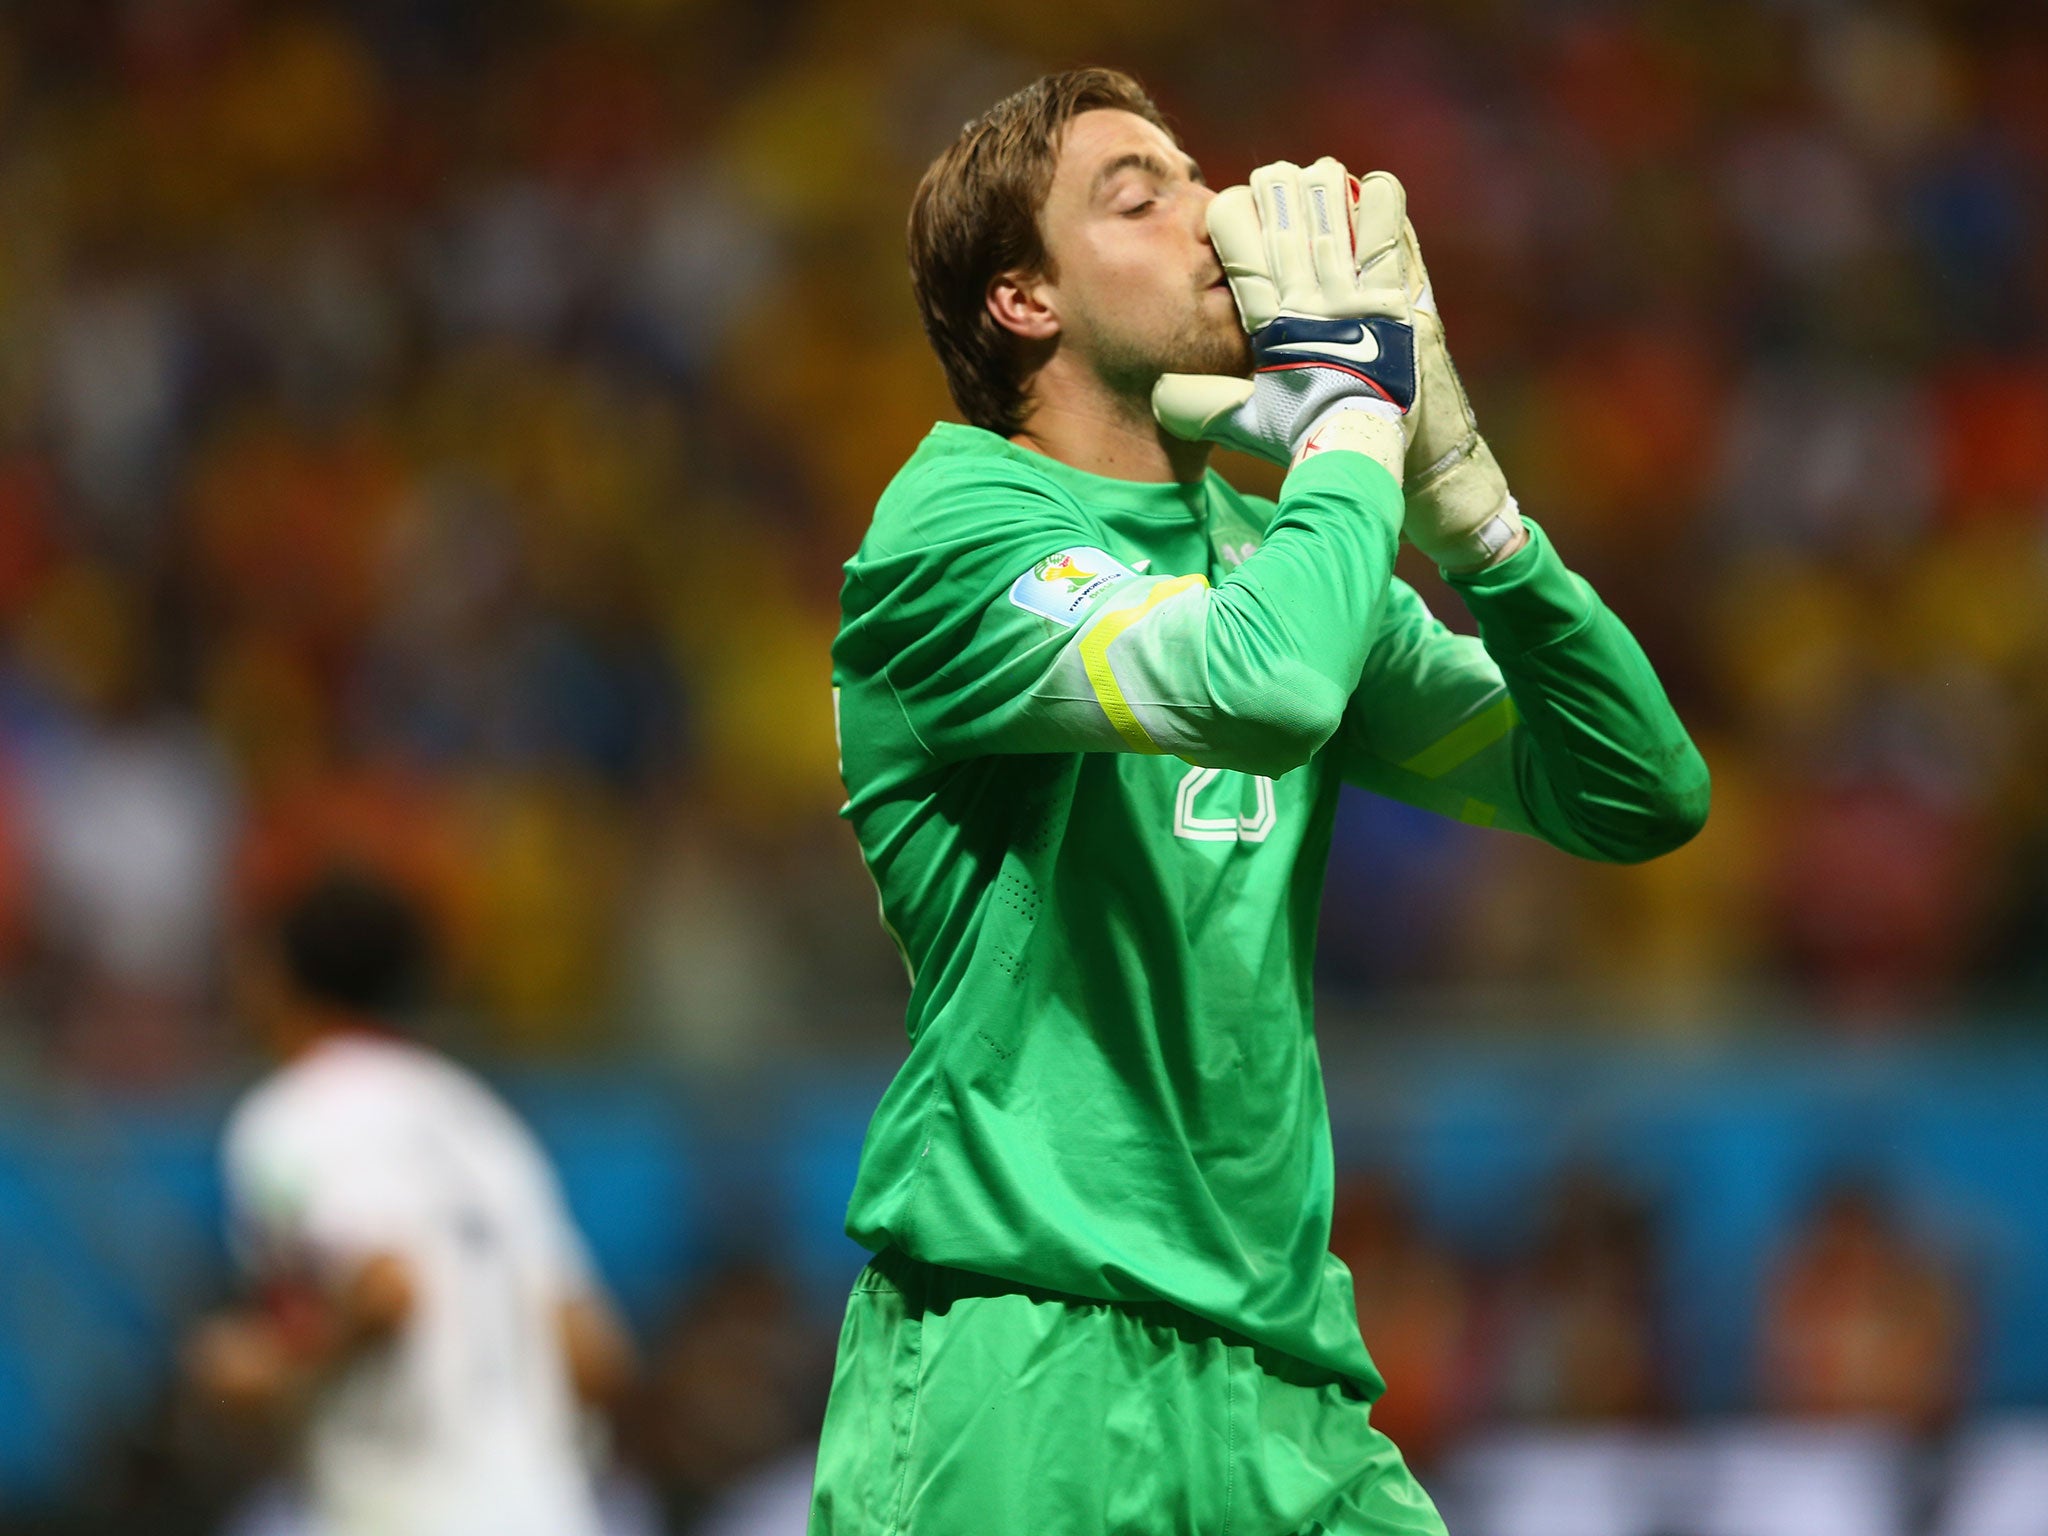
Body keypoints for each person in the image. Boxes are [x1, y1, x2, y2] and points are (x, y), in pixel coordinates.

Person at [817, 67, 1709, 1536]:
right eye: (1138, 194)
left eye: (1192, 170)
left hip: (1285, 1384)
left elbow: (1637, 791)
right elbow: (1267, 684)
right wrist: (1352, 418)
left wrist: (1470, 510)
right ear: (1024, 300)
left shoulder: (1276, 537)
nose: (1215, 213)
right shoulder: (954, 529)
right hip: (1026, 1356)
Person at [186, 867, 632, 1536]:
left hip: (403, 1511)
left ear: (278, 975)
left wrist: (269, 1366)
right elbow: (594, 1352)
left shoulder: (293, 1115)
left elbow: (389, 1289)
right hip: (550, 1513)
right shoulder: (482, 1122)